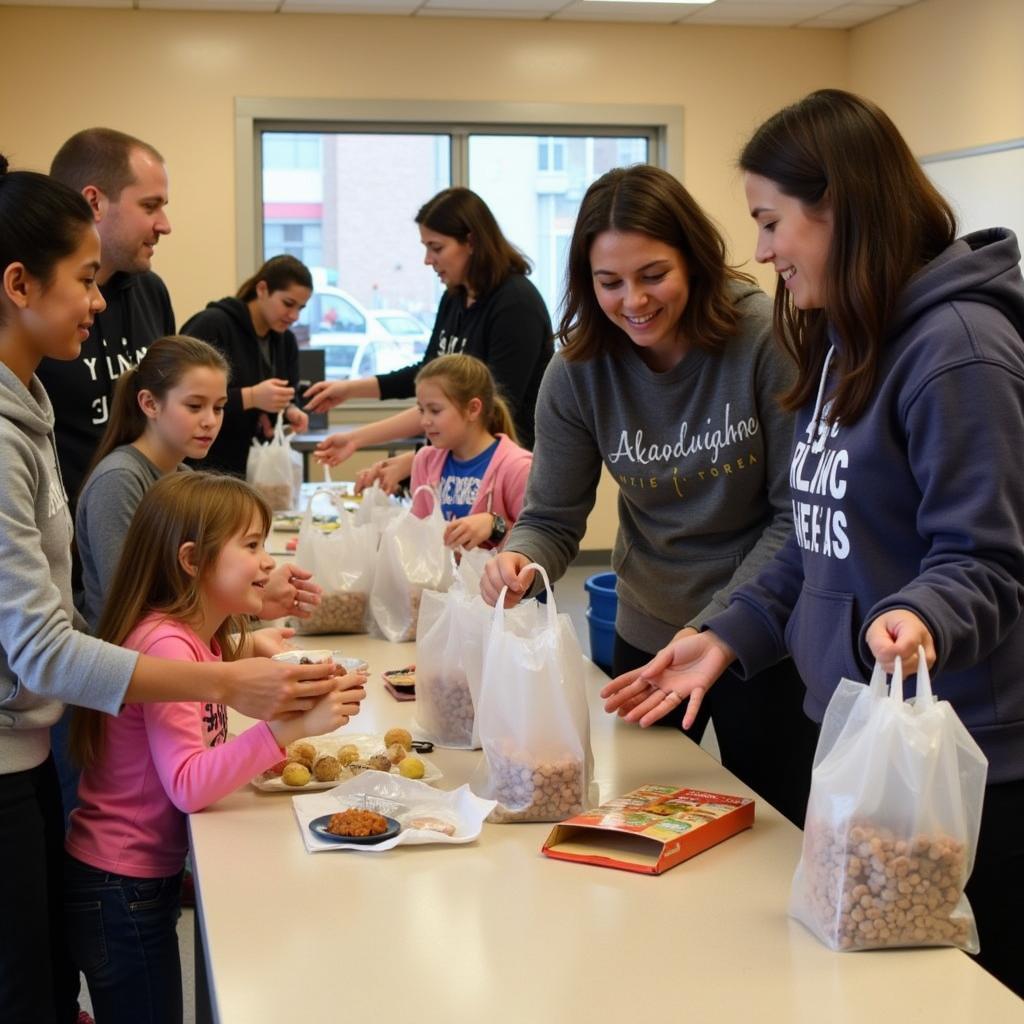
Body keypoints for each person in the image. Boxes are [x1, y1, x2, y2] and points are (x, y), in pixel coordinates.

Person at [601, 90, 1024, 996]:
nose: (758, 251)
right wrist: (728, 631)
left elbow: (989, 560)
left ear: (845, 207)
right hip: (862, 732)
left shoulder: (958, 350)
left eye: (770, 221)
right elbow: (813, 531)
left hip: (965, 763)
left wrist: (919, 610)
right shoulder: (848, 338)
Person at [0, 158, 341, 1024]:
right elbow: (63, 639)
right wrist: (235, 680)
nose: (99, 300)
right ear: (17, 283)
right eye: (83, 280)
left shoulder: (31, 408)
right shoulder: (58, 457)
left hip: (38, 751)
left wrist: (241, 632)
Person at [480, 164, 818, 828]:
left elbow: (794, 518)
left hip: (763, 635)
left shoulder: (764, 339)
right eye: (610, 283)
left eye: (653, 275)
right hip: (651, 635)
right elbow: (551, 515)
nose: (633, 301)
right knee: (639, 819)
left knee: (774, 831)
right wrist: (521, 557)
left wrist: (722, 629)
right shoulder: (577, 372)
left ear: (693, 261)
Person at [64, 472, 367, 1024]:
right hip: (120, 888)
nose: (268, 561)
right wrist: (288, 732)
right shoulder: (167, 644)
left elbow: (214, 711)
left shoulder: (194, 638)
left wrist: (283, 683)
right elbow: (188, 786)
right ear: (191, 560)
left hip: (130, 882)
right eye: (251, 546)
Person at [306, 187, 553, 477]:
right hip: (456, 467)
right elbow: (427, 377)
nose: (427, 259)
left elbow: (486, 412)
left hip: (503, 475)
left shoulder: (515, 304)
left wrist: (415, 462)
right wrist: (351, 391)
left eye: (436, 248)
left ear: (471, 242)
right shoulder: (454, 298)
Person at [40, 128, 175, 506]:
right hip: (59, 544)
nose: (164, 224)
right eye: (150, 206)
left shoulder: (151, 292)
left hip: (145, 527)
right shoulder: (35, 309)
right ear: (93, 203)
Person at [362, 354, 532, 550]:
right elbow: (420, 538)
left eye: (435, 411)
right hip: (440, 580)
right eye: (421, 410)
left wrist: (494, 525)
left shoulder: (518, 467)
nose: (425, 421)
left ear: (473, 409)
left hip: (493, 580)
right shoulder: (425, 460)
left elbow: (533, 543)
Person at [180, 255, 312, 476]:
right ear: (262, 289)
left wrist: (290, 410)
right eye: (288, 304)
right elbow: (182, 396)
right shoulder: (213, 325)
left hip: (254, 467)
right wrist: (251, 397)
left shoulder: (286, 341)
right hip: (206, 466)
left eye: (301, 308)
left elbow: (290, 392)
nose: (294, 316)